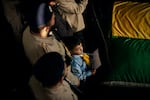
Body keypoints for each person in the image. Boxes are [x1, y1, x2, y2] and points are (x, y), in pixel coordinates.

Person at [22, 2, 80, 99]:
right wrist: (76, 81)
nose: (53, 15)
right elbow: (61, 72)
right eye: (52, 16)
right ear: (45, 28)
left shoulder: (28, 30)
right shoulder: (48, 51)